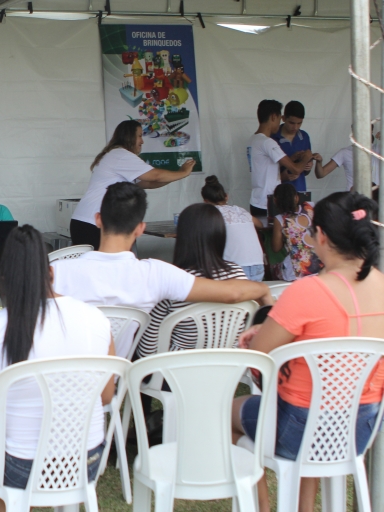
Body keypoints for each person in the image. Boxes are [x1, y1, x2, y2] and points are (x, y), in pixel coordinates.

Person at [233, 191, 384, 512]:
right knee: (314, 398)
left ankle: (262, 507)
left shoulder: (306, 290)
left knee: (226, 410)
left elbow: (258, 358)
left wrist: (268, 335)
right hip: (361, 429)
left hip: (298, 429)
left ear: (322, 236)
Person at [0, 225, 115, 511]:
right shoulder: (96, 318)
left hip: (20, 465)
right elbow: (105, 396)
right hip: (87, 460)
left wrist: (7, 404)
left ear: (4, 279)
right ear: (50, 272)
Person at [54, 182, 272, 357]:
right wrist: (262, 289)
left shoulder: (57, 271)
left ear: (98, 220)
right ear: (140, 228)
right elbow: (233, 292)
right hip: (118, 374)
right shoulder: (158, 273)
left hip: (62, 373)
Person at [135, 203, 250, 359]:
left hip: (178, 369)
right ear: (221, 234)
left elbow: (147, 351)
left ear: (182, 237)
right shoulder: (238, 275)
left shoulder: (171, 282)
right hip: (230, 365)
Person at [70, 119, 195, 248]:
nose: (142, 141)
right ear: (129, 137)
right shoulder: (121, 155)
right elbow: (155, 176)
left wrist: (179, 175)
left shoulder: (116, 155)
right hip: (92, 222)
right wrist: (183, 172)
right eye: (139, 136)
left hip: (86, 221)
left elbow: (148, 183)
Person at [247, 99, 317, 225]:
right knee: (276, 234)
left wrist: (292, 159)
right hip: (267, 202)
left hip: (257, 199)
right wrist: (307, 157)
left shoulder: (253, 139)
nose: (280, 123)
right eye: (280, 119)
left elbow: (265, 167)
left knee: (263, 236)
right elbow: (296, 169)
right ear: (274, 117)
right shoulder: (268, 142)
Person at [201, 175, 265, 281]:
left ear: (205, 201)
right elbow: (260, 224)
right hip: (258, 265)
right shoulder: (240, 211)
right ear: (226, 196)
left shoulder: (212, 215)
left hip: (235, 269)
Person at [271, 183, 323, 281]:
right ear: (296, 198)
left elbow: (276, 248)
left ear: (275, 201)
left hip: (297, 273)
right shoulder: (310, 206)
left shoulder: (280, 219)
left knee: (273, 269)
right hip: (321, 268)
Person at [273, 101, 315, 192]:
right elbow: (267, 170)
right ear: (283, 118)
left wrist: (308, 166)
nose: (295, 127)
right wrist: (282, 176)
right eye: (292, 123)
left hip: (300, 190)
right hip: (278, 192)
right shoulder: (273, 138)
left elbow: (306, 172)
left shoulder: (304, 137)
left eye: (299, 123)